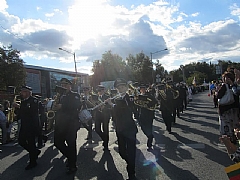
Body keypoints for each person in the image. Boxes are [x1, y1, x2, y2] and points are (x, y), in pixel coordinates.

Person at [106, 78, 138, 180]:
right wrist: (107, 106)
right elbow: (114, 114)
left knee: (131, 151)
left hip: (129, 129)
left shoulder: (130, 98)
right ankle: (131, 163)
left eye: (122, 87)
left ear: (126, 87)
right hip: (120, 129)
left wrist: (112, 104)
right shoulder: (116, 99)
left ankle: (131, 173)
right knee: (122, 151)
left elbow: (124, 109)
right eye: (119, 87)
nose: (120, 89)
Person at [53, 78, 81, 174]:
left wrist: (63, 106)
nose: (63, 86)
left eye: (66, 84)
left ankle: (72, 165)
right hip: (60, 123)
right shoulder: (60, 96)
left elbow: (77, 105)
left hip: (71, 123)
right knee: (57, 142)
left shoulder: (75, 95)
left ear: (70, 86)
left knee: (71, 143)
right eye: (62, 84)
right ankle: (70, 157)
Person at [15, 86, 41, 170]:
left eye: (23, 92)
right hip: (24, 125)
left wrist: (19, 107)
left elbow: (32, 111)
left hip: (32, 125)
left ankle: (33, 162)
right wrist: (16, 111)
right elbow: (21, 113)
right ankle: (34, 152)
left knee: (31, 143)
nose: (21, 93)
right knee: (21, 141)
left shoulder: (34, 100)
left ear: (28, 92)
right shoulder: (23, 101)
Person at [217, 71, 240, 144]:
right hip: (234, 110)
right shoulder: (235, 85)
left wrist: (217, 91)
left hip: (225, 110)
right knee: (235, 127)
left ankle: (230, 143)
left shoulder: (224, 86)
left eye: (224, 78)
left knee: (227, 127)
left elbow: (218, 96)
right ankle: (235, 140)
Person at [135, 83, 157, 150]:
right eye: (141, 89)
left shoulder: (149, 95)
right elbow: (136, 104)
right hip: (141, 114)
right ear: (140, 90)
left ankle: (149, 143)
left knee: (149, 128)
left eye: (144, 89)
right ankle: (150, 136)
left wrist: (148, 105)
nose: (143, 90)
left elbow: (155, 102)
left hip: (149, 114)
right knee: (143, 128)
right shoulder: (138, 96)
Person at [94, 85, 111, 151]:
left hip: (105, 115)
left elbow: (110, 106)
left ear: (103, 90)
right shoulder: (96, 97)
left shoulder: (107, 97)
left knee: (105, 129)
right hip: (98, 115)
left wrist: (104, 107)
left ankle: (106, 144)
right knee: (97, 129)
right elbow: (94, 105)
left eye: (101, 90)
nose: (99, 92)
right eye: (98, 90)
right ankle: (104, 139)